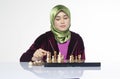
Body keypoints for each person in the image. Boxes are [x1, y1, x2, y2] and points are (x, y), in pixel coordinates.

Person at [20, 5, 85, 63]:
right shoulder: (43, 38)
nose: (62, 22)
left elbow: (82, 63)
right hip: (50, 76)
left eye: (65, 18)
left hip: (72, 76)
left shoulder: (77, 39)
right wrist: (34, 58)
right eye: (58, 19)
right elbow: (23, 58)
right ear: (52, 21)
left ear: (69, 19)